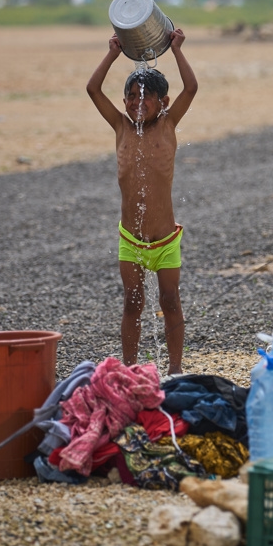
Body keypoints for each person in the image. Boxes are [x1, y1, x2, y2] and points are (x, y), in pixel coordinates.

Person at [86, 29, 197, 374]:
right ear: (123, 102)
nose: (138, 102)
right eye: (132, 96)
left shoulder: (168, 125)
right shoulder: (120, 127)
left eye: (146, 97)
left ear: (163, 102)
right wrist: (113, 54)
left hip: (165, 241)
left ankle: (176, 369)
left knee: (170, 301)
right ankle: (131, 369)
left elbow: (191, 88)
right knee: (132, 305)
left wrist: (177, 49)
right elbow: (92, 89)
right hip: (130, 241)